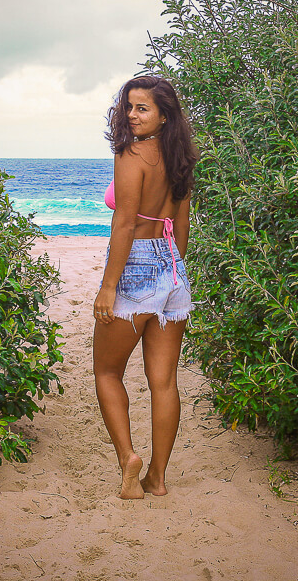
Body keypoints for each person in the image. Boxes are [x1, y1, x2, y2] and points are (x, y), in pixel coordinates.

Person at [93, 75, 199, 499]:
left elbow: (125, 221)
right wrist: (171, 270)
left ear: (163, 115)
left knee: (106, 371)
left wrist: (108, 286)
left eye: (142, 108)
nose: (131, 116)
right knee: (164, 382)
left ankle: (128, 459)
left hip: (133, 265)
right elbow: (183, 226)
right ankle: (157, 477)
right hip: (172, 267)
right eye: (128, 107)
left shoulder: (131, 152)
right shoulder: (182, 158)